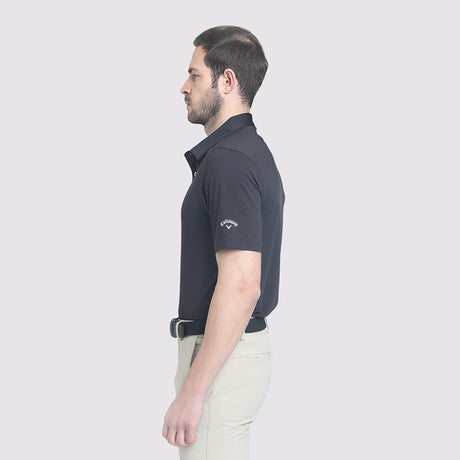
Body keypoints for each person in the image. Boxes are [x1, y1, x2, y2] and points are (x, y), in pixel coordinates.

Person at [162, 25, 285, 460]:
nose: (184, 87)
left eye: (195, 75)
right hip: (231, 355)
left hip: (221, 361)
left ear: (227, 81)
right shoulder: (246, 152)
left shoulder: (230, 161)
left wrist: (194, 390)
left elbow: (241, 285)